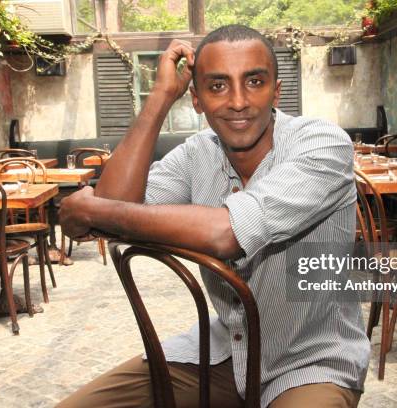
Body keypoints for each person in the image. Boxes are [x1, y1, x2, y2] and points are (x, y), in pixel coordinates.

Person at [58, 24, 369, 408]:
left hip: (311, 361)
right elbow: (114, 206)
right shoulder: (196, 153)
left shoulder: (321, 143)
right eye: (218, 86)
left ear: (277, 90)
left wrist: (91, 208)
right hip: (224, 352)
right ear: (197, 99)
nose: (238, 101)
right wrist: (160, 97)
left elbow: (227, 233)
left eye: (254, 81)